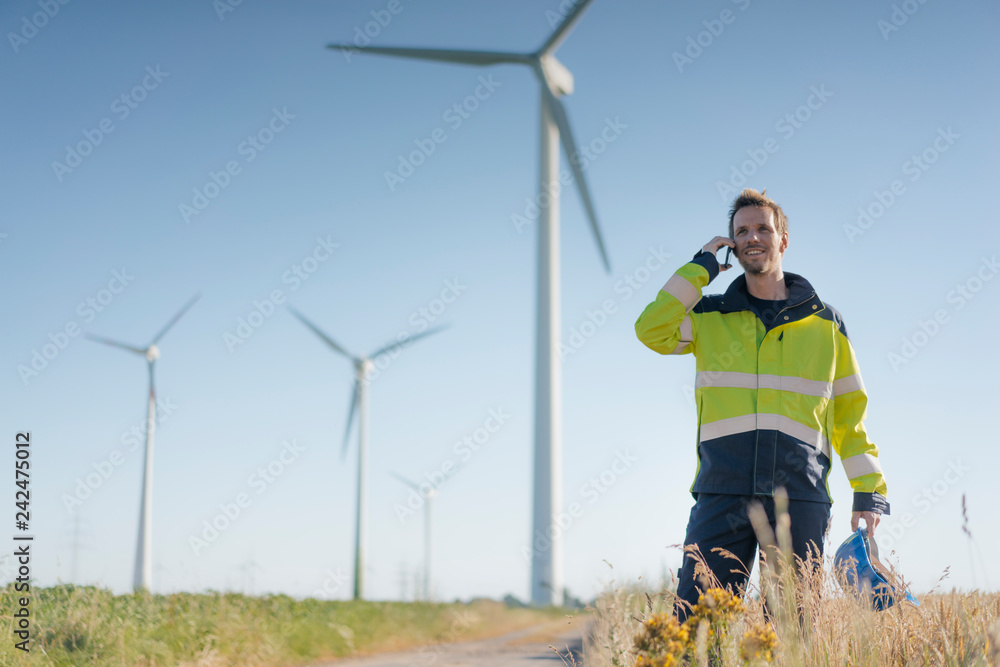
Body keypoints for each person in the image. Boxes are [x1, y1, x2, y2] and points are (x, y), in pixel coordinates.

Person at [633, 188, 889, 619]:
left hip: (800, 496)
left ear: (783, 239)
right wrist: (700, 268)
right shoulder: (709, 316)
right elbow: (651, 329)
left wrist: (869, 492)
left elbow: (849, 412)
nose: (753, 237)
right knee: (696, 624)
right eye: (742, 231)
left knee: (791, 631)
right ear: (732, 244)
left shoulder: (825, 322)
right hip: (722, 490)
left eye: (763, 229)